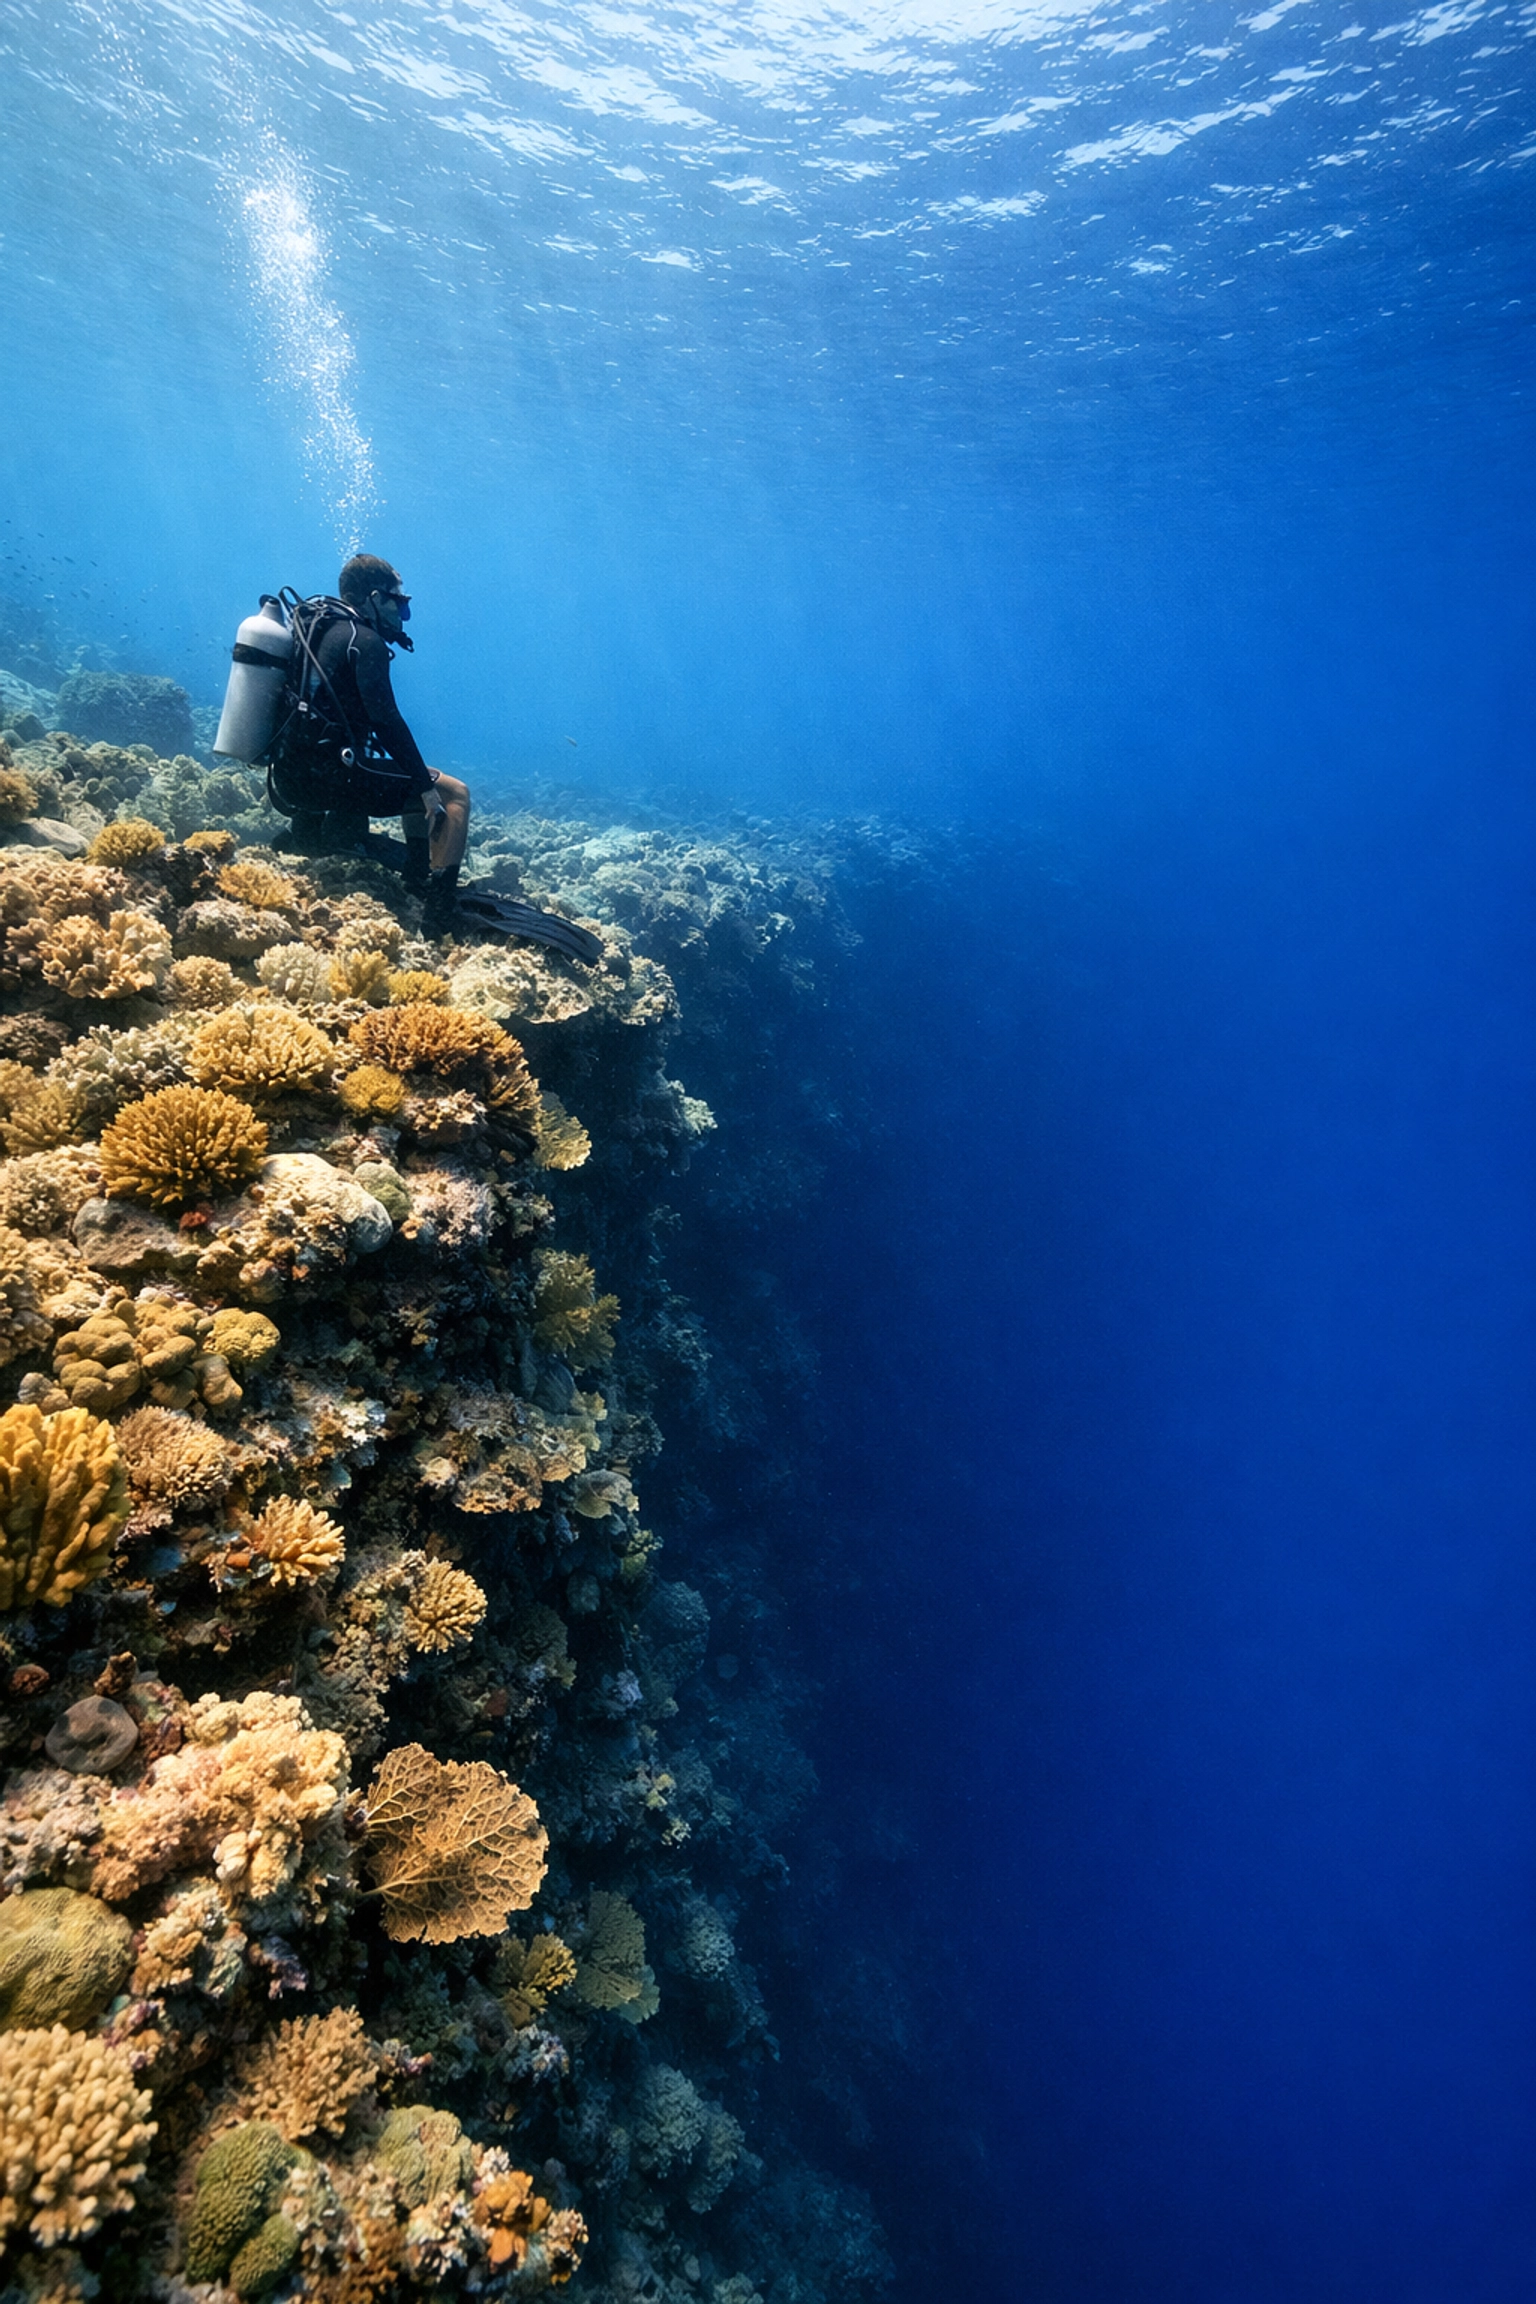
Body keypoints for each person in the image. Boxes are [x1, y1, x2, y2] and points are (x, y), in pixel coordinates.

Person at [272, 555, 602, 960]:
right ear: (375, 599)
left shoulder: (317, 629)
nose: (404, 615)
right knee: (452, 792)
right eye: (400, 602)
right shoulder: (365, 641)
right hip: (328, 780)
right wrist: (428, 791)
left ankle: (388, 862)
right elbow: (387, 720)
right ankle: (438, 913)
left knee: (414, 776)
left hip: (290, 781)